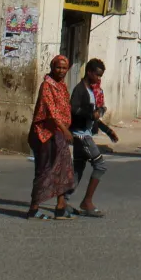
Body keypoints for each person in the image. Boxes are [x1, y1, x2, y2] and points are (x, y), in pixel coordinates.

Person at [26, 55, 77, 221]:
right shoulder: (47, 85)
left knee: (63, 167)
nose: (61, 71)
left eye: (64, 68)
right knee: (44, 170)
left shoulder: (61, 85)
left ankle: (61, 206)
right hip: (44, 133)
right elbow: (52, 112)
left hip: (58, 134)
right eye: (58, 67)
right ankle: (33, 209)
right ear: (52, 67)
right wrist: (65, 130)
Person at [69, 59, 118, 218]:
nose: (99, 78)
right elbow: (74, 109)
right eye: (97, 75)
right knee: (100, 165)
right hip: (81, 135)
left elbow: (94, 117)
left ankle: (62, 201)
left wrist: (108, 131)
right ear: (89, 72)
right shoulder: (80, 90)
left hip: (86, 133)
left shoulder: (90, 90)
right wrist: (91, 113)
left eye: (101, 76)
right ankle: (87, 202)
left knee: (78, 169)